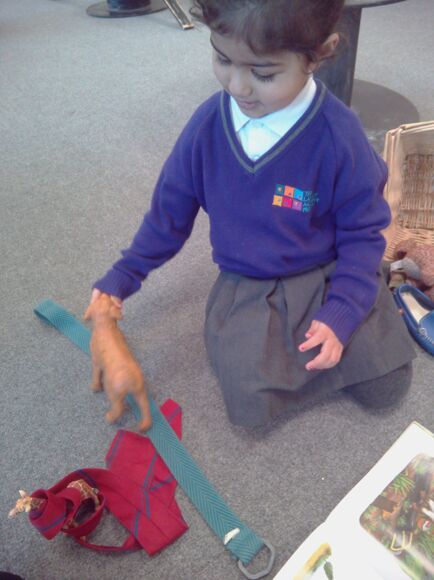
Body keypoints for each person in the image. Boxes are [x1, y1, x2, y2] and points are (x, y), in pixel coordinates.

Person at [88, 0, 415, 428]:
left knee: (386, 384)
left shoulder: (340, 134)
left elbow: (363, 232)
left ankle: (354, 321)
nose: (238, 87)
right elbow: (167, 216)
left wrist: (342, 312)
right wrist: (122, 276)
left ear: (318, 54)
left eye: (263, 74)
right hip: (250, 287)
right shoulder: (206, 126)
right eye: (223, 59)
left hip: (329, 272)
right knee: (251, 404)